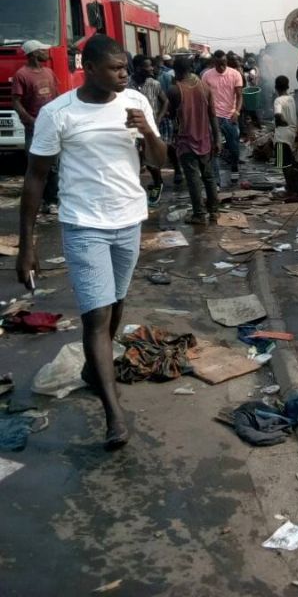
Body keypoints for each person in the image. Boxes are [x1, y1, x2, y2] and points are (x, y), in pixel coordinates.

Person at [15, 34, 166, 450]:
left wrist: (146, 133)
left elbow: (160, 160)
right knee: (95, 317)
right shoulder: (57, 113)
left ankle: (90, 373)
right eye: (116, 68)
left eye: (126, 68)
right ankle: (113, 413)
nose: (125, 74)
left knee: (116, 303)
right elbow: (35, 178)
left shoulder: (136, 102)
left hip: (129, 220)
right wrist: (27, 246)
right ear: (90, 68)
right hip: (83, 225)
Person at [167, 55, 221, 224]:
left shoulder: (175, 90)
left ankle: (199, 214)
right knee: (208, 176)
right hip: (205, 139)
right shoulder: (205, 87)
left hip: (186, 141)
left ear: (176, 71)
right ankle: (214, 211)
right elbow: (213, 116)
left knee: (193, 179)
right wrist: (217, 138)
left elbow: (171, 115)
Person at [11, 40, 60, 214]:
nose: (47, 52)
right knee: (35, 166)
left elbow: (57, 97)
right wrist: (30, 120)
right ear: (33, 54)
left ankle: (52, 201)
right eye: (43, 50)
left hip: (52, 127)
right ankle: (34, 203)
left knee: (54, 165)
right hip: (34, 129)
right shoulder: (21, 75)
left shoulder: (48, 72)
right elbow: (16, 102)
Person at [128, 55, 168, 206]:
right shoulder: (127, 84)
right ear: (138, 68)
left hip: (150, 129)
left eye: (151, 66)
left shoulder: (154, 84)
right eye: (147, 66)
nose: (151, 68)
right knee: (134, 159)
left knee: (152, 160)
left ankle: (158, 183)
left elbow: (165, 101)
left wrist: (157, 119)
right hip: (131, 128)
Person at [202, 50, 243, 183]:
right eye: (219, 64)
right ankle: (217, 181)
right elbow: (204, 97)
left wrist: (236, 112)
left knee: (234, 147)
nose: (222, 66)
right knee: (214, 148)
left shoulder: (235, 74)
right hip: (213, 117)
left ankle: (235, 167)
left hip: (230, 116)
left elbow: (239, 95)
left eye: (224, 63)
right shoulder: (207, 75)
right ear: (214, 62)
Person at [156, 55, 182, 186]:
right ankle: (157, 180)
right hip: (148, 120)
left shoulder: (165, 78)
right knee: (149, 150)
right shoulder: (132, 83)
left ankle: (177, 169)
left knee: (168, 145)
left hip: (165, 118)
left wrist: (169, 115)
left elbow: (170, 98)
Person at [273, 75, 298, 196]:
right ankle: (292, 186)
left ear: (276, 87)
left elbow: (278, 114)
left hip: (281, 135)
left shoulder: (278, 100)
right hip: (292, 133)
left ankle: (290, 189)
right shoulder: (291, 99)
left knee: (284, 164)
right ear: (287, 86)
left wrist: (282, 121)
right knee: (289, 162)